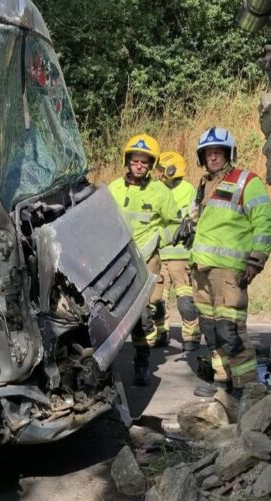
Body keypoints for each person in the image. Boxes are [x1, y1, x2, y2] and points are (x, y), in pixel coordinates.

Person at [188, 127, 271, 398]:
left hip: (228, 274)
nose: (213, 157)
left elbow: (264, 223)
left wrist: (256, 261)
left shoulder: (247, 182)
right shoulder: (203, 185)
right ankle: (222, 382)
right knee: (211, 330)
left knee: (230, 331)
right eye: (208, 153)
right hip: (201, 270)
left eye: (218, 152)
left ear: (228, 154)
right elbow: (201, 219)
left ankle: (248, 389)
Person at [108, 134, 180, 386]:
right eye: (135, 161)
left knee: (140, 313)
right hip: (117, 258)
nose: (139, 166)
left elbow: (175, 223)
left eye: (144, 162)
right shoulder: (114, 188)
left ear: (151, 165)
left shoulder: (160, 191)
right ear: (127, 161)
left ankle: (141, 362)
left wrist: (159, 238)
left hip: (147, 258)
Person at [150, 151, 202, 352]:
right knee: (157, 299)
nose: (159, 173)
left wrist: (191, 227)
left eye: (162, 169)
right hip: (159, 253)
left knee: (186, 300)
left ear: (172, 170)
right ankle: (161, 333)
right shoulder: (154, 189)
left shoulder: (188, 190)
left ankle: (191, 336)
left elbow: (195, 217)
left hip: (181, 255)